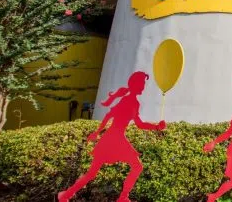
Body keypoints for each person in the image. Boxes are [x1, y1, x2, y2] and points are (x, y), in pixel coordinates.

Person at [58, 71, 165, 202]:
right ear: (135, 85)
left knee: (133, 167)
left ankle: (122, 197)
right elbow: (110, 116)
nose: (144, 86)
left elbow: (139, 124)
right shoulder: (127, 101)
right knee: (95, 173)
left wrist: (156, 127)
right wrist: (97, 132)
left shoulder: (134, 102)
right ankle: (66, 195)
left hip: (115, 138)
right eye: (142, 83)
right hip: (113, 138)